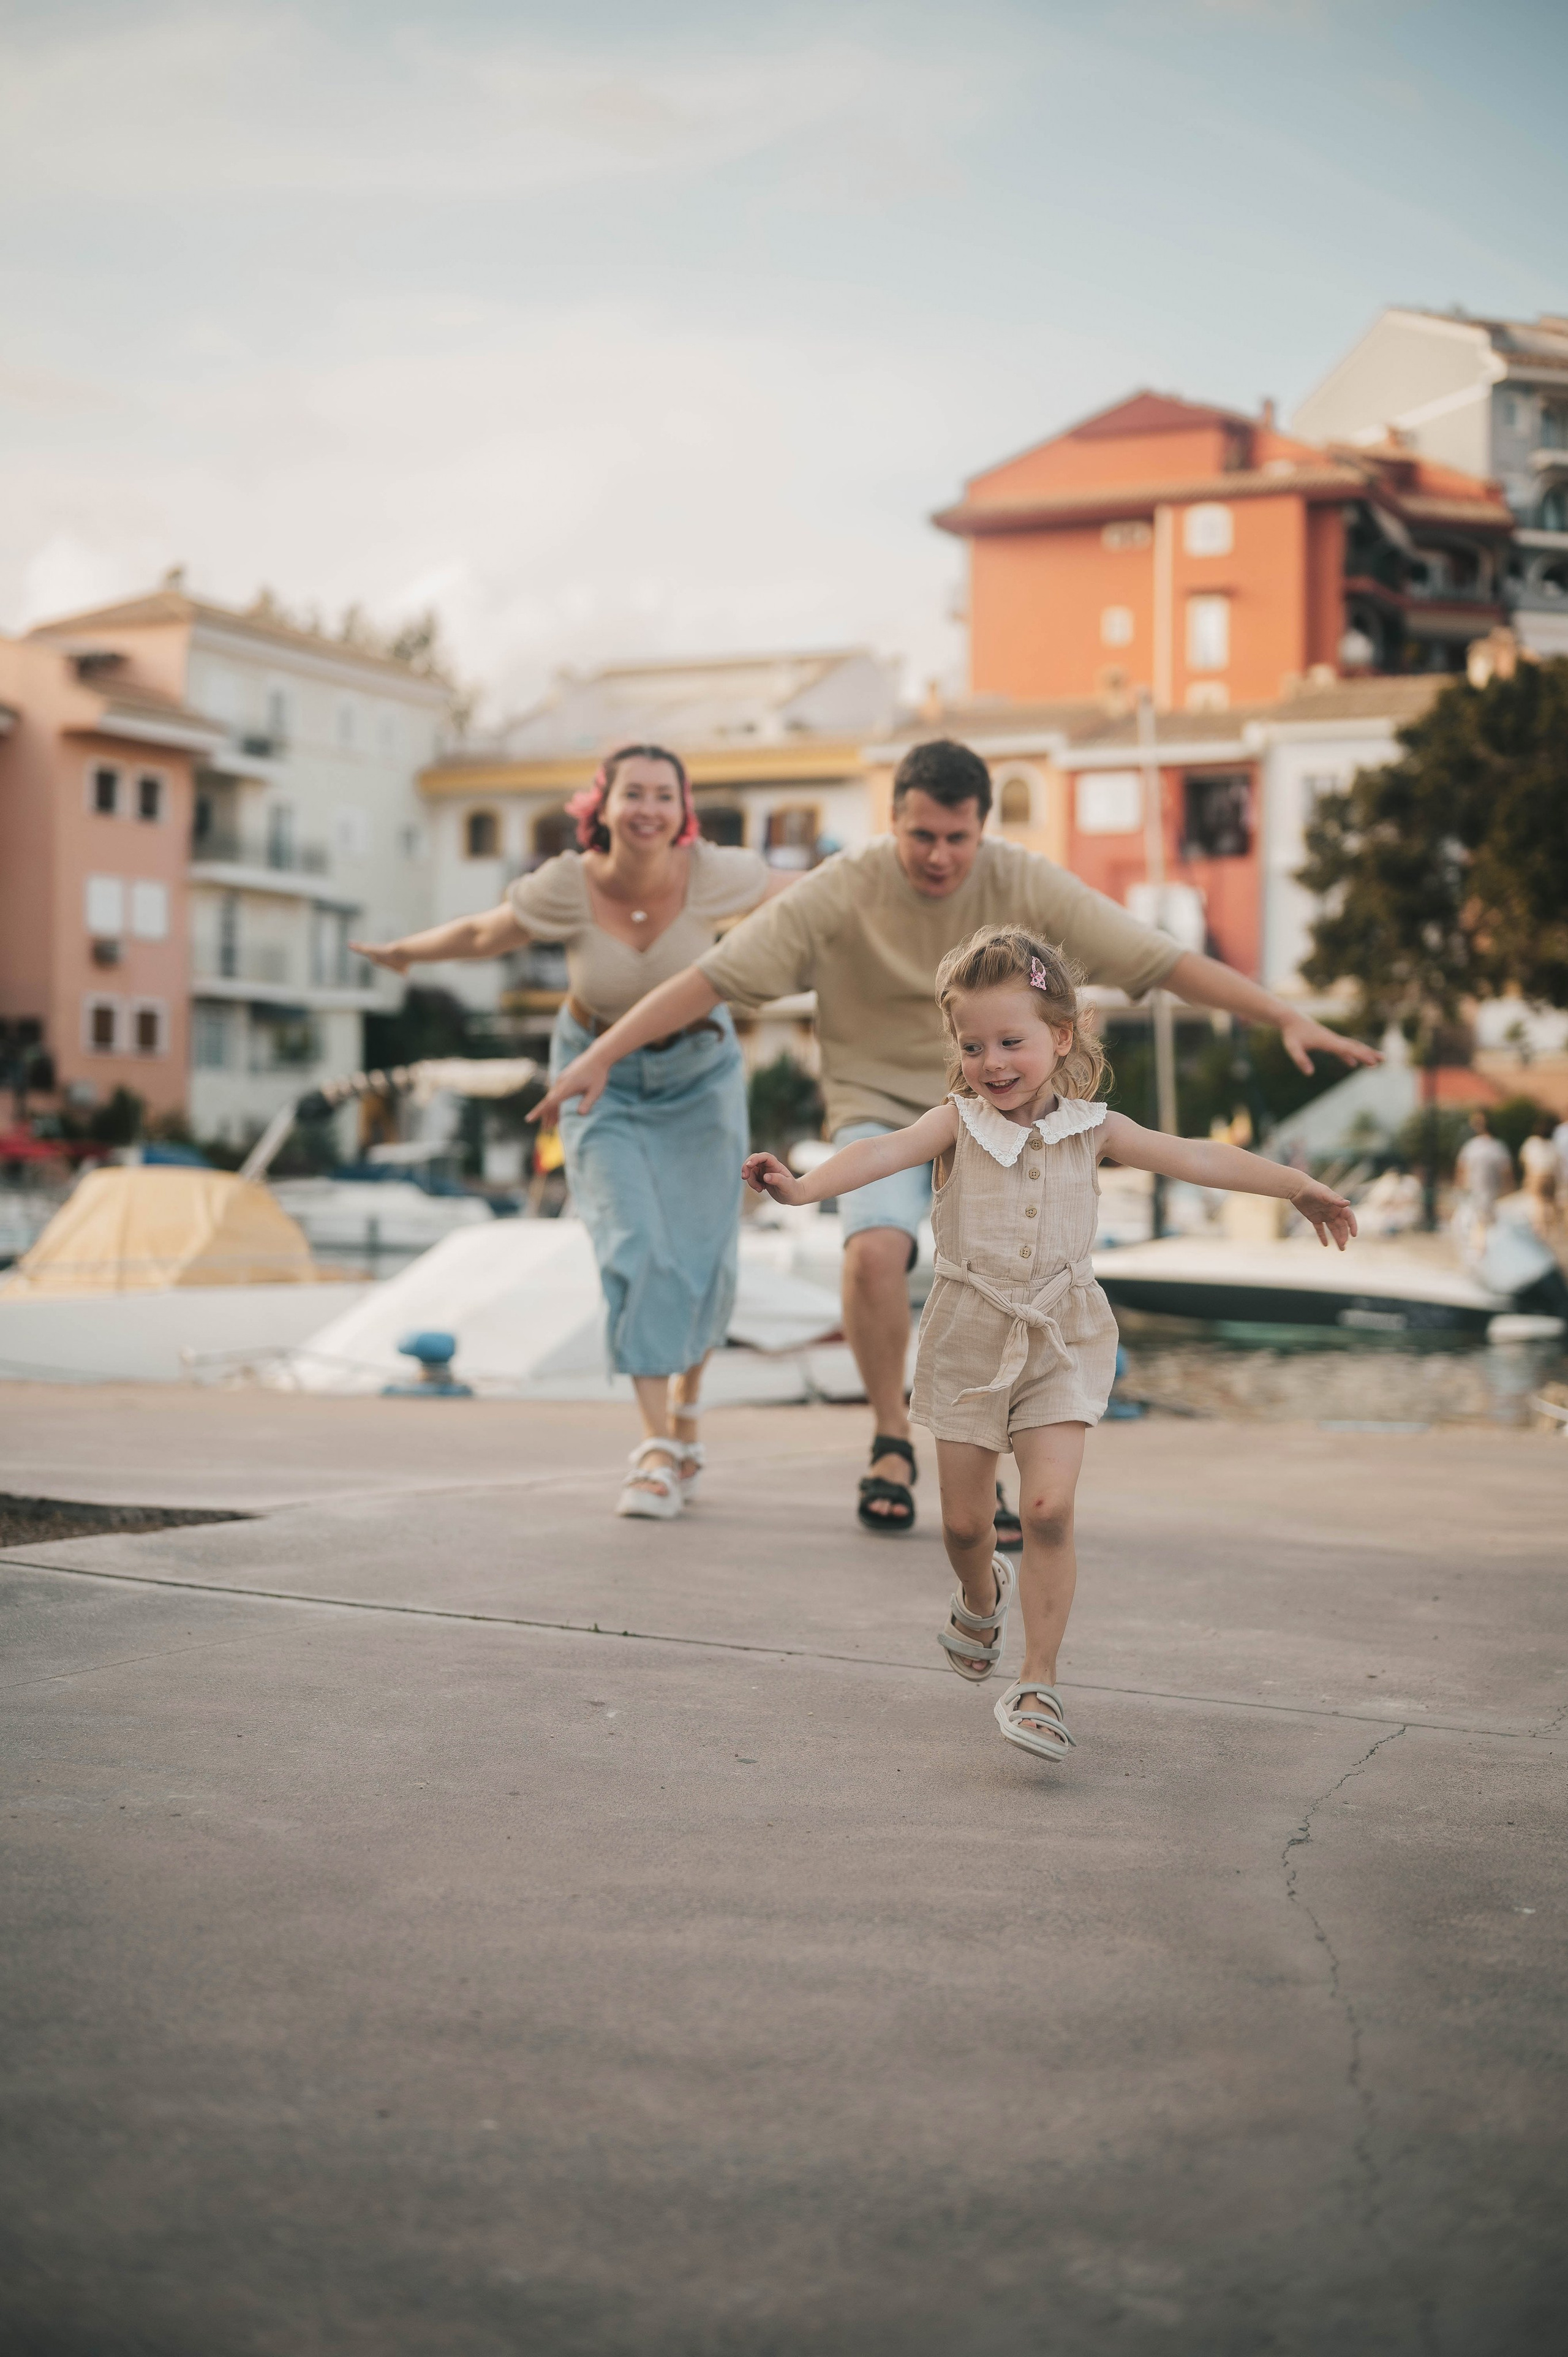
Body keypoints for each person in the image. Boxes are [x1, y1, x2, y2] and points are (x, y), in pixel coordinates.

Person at [532, 737, 1379, 1537]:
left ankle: (988, 1459)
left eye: (957, 839)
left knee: (1004, 1277)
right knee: (872, 1252)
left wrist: (1283, 1014)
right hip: (880, 1099)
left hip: (1007, 1112)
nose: (939, 857)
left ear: (983, 829)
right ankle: (892, 1440)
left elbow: (1157, 959)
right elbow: (709, 978)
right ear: (894, 822)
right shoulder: (844, 886)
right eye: (921, 837)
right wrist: (597, 1058)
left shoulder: (1022, 879)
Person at [741, 925, 1355, 1763]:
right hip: (967, 1337)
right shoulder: (955, 1124)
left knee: (1047, 1511)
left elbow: (1195, 1156)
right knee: (965, 1526)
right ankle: (976, 1593)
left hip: (1062, 1336)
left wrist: (1296, 1185)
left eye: (1011, 1042)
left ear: (1059, 1037)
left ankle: (1037, 1681)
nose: (992, 1062)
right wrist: (804, 1187)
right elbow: (880, 1150)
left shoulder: (1096, 1129)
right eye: (973, 1045)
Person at [353, 744, 787, 1519]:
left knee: (705, 1251)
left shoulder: (713, 873)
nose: (648, 808)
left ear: (682, 809)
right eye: (633, 793)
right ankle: (655, 1450)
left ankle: (687, 1419)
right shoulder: (569, 883)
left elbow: (813, 893)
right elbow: (488, 933)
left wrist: (910, 879)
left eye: (664, 794)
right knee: (634, 1244)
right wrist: (404, 952)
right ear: (604, 805)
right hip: (597, 1077)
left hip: (700, 1077)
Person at [1453, 1109, 1514, 1253]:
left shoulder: (1478, 1146)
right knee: (1481, 1223)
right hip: (1483, 1191)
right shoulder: (1494, 1147)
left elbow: (1461, 1168)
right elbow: (1507, 1172)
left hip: (1483, 1190)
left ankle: (1482, 1251)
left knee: (1482, 1223)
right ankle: (1482, 1250)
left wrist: (1460, 1185)